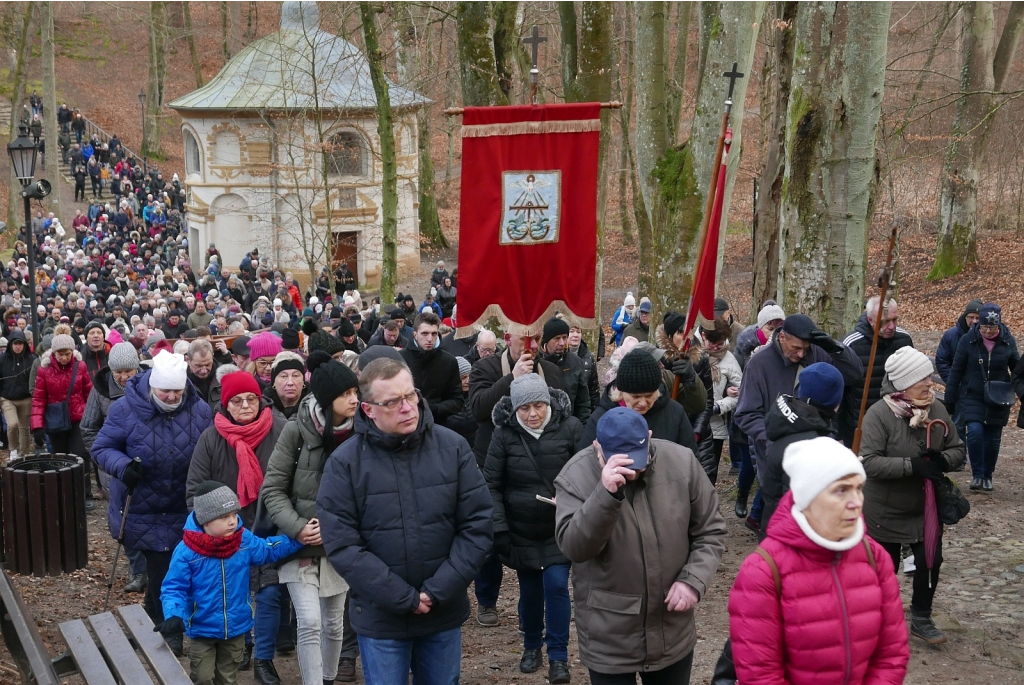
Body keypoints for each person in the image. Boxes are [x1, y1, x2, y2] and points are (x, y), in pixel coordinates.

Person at [317, 357, 493, 685]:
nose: (408, 407)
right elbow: (343, 545)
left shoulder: (453, 448)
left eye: (410, 395)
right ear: (368, 409)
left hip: (442, 612)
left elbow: (478, 525)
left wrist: (437, 590)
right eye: (393, 401)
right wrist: (403, 598)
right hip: (382, 618)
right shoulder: (344, 464)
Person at [555, 407, 726, 683]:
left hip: (671, 629)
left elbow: (710, 529)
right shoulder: (575, 475)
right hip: (610, 635)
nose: (632, 471)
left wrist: (693, 580)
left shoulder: (682, 462)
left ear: (648, 437)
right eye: (622, 462)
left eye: (637, 460)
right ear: (598, 446)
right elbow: (574, 547)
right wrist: (605, 495)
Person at [728, 437, 909, 683]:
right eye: (841, 490)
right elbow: (760, 673)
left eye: (859, 488)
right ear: (808, 498)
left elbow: (892, 652)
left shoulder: (874, 556)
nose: (856, 502)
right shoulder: (764, 570)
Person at [92, 351, 214, 656]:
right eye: (165, 391)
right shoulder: (125, 409)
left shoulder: (199, 410)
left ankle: (161, 614)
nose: (172, 397)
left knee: (182, 569)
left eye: (178, 390)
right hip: (143, 506)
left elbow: (212, 447)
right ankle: (167, 628)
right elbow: (101, 446)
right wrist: (123, 466)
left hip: (183, 505)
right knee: (162, 569)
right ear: (152, 387)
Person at [262, 351, 361, 685]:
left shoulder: (362, 431)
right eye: (346, 394)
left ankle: (328, 679)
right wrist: (298, 527)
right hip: (298, 543)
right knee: (308, 621)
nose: (354, 400)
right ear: (327, 397)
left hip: (341, 543)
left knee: (334, 623)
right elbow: (272, 489)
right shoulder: (296, 430)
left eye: (355, 392)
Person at [187, 370, 289, 684]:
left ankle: (263, 659)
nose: (245, 406)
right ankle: (242, 645)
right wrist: (213, 528)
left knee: (270, 593)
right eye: (237, 401)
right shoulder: (212, 437)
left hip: (271, 525)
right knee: (235, 592)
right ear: (226, 404)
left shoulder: (281, 428)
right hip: (226, 531)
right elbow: (195, 491)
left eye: (251, 399)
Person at [860, 346, 964, 643]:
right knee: (884, 569)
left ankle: (921, 617)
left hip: (925, 508)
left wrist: (942, 461)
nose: (930, 383)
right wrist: (912, 465)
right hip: (884, 510)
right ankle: (876, 619)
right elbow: (869, 462)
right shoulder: (879, 414)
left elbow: (957, 448)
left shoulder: (937, 409)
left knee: (930, 561)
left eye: (929, 376)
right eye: (923, 379)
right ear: (905, 382)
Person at [483, 375, 581, 682]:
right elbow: (492, 484)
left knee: (555, 586)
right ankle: (530, 646)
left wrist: (570, 500)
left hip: (559, 528)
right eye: (524, 408)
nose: (533, 414)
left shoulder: (570, 428)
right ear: (514, 409)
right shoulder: (504, 434)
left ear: (549, 402)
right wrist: (499, 529)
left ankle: (558, 655)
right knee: (530, 591)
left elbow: (586, 472)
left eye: (538, 405)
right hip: (521, 529)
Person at [156, 481, 302, 685]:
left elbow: (267, 549)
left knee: (227, 678)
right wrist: (173, 614)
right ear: (206, 521)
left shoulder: (243, 540)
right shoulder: (187, 551)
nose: (232, 521)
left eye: (234, 514)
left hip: (235, 627)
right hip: (202, 628)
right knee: (202, 677)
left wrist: (299, 536)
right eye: (224, 517)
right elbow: (174, 587)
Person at [467, 330, 564, 626]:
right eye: (525, 340)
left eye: (536, 340)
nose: (532, 346)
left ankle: (532, 617)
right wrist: (511, 380)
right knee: (491, 537)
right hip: (491, 464)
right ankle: (486, 600)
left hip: (536, 473)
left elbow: (564, 414)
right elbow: (478, 409)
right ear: (509, 339)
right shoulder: (485, 368)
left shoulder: (551, 371)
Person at [734, 314, 864, 534]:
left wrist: (834, 347)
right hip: (773, 458)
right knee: (779, 524)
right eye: (796, 348)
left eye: (806, 348)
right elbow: (746, 414)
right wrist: (776, 439)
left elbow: (855, 374)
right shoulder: (759, 364)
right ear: (782, 337)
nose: (801, 354)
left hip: (815, 457)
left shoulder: (818, 353)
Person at [80, 342, 146, 591]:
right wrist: (104, 458)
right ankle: (137, 571)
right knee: (124, 519)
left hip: (145, 463)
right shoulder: (100, 391)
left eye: (129, 371)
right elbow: (88, 427)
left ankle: (154, 568)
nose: (123, 376)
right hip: (114, 467)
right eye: (118, 371)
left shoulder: (149, 386)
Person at [758, 362, 845, 533]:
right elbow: (801, 504)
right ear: (832, 401)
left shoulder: (794, 426)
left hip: (775, 528)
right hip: (791, 539)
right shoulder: (808, 446)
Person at [947, 303, 1018, 491]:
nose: (987, 331)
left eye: (991, 327)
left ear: (998, 325)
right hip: (973, 394)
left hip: (998, 397)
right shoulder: (968, 340)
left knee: (993, 439)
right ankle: (977, 474)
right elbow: (956, 369)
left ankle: (988, 475)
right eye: (984, 326)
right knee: (976, 433)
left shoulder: (1008, 341)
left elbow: (1017, 369)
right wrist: (949, 396)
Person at [579, 347, 699, 457]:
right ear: (620, 392)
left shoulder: (675, 413)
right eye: (635, 396)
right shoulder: (601, 417)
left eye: (649, 396)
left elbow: (692, 462)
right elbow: (584, 467)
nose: (643, 403)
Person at [838, 297, 914, 446]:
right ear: (870, 320)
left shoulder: (904, 339)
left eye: (895, 320)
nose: (892, 326)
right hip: (860, 426)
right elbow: (839, 393)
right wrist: (838, 434)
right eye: (885, 321)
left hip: (896, 425)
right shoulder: (851, 345)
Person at [31, 329, 94, 500]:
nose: (64, 357)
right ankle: (64, 493)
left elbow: (89, 393)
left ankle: (84, 493)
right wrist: (37, 426)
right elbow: (38, 398)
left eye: (67, 354)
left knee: (81, 454)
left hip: (78, 418)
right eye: (60, 354)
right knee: (61, 457)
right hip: (56, 419)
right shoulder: (44, 370)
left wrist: (93, 417)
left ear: (72, 352)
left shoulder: (80, 366)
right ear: (53, 353)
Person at [399, 312, 463, 427]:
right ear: (415, 334)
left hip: (438, 424)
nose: (430, 339)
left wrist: (433, 408)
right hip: (405, 423)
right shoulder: (400, 359)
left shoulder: (449, 361)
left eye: (434, 334)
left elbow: (457, 400)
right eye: (425, 333)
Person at [701, 319, 743, 492]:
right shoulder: (690, 352)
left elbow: (742, 392)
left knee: (709, 475)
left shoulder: (729, 359)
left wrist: (719, 406)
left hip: (714, 427)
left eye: (721, 344)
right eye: (713, 344)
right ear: (703, 336)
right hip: (689, 422)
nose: (717, 348)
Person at [936, 298, 982, 438]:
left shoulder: (986, 336)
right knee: (958, 425)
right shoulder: (951, 335)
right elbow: (942, 361)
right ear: (965, 316)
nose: (974, 321)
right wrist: (953, 381)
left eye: (977, 318)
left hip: (979, 389)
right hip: (959, 388)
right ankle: (960, 456)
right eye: (971, 317)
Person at [539, 317, 591, 423]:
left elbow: (583, 402)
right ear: (546, 340)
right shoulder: (537, 363)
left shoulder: (575, 362)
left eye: (564, 337)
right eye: (557, 338)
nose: (562, 343)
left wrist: (583, 428)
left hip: (569, 426)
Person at [0, 330, 34, 460]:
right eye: (15, 344)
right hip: (7, 398)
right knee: (12, 424)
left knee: (24, 428)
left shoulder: (31, 359)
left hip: (26, 398)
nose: (18, 346)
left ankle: (24, 454)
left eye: (20, 343)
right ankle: (13, 449)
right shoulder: (2, 359)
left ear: (24, 344)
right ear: (10, 345)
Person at [734, 302, 785, 369]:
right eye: (770, 329)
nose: (774, 333)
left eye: (778, 329)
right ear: (760, 327)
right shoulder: (744, 347)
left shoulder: (787, 348)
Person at [265, 351, 307, 419]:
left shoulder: (314, 407)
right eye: (283, 376)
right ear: (274, 383)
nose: (290, 383)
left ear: (303, 381)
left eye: (295, 376)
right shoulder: (264, 408)